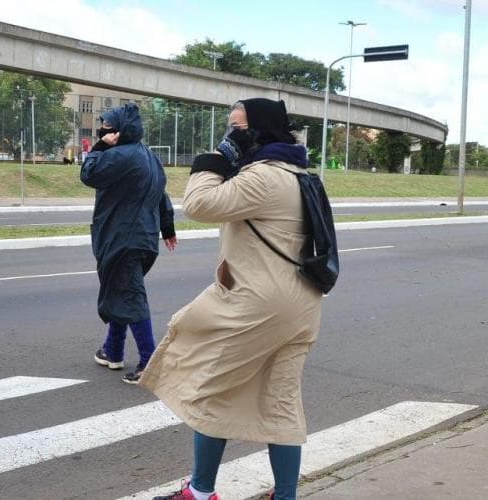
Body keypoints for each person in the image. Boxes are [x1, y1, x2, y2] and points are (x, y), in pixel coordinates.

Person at [139, 98, 323, 500]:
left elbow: (199, 205)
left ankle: (200, 491)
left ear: (258, 130)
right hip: (301, 305)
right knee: (281, 400)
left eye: (237, 128)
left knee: (213, 387)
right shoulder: (302, 174)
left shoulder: (264, 177)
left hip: (257, 303)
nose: (231, 134)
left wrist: (216, 157)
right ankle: (286, 496)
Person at [81, 102, 177, 384]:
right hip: (143, 238)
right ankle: (112, 350)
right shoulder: (149, 156)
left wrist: (98, 147)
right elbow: (162, 195)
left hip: (123, 238)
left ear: (121, 130)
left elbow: (89, 174)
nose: (103, 131)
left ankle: (149, 361)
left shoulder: (120, 155)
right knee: (120, 291)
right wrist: (168, 227)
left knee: (131, 296)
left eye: (108, 127)